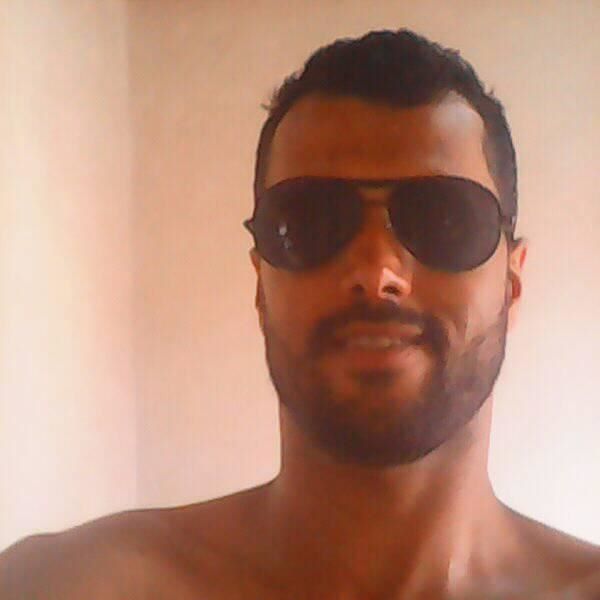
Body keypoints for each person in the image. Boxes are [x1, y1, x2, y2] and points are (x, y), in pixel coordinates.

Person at [1, 28, 599, 600]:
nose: (377, 271)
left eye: (445, 218)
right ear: (261, 282)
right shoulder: (64, 586)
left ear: (511, 284)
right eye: (310, 221)